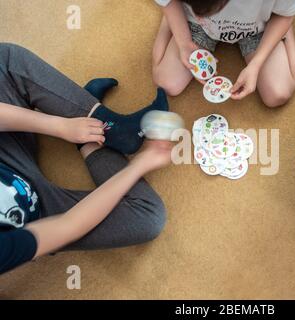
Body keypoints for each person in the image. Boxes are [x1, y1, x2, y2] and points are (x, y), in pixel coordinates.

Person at [0, 43, 173, 274]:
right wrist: (139, 165)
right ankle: (97, 132)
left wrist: (60, 126)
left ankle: (108, 125)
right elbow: (66, 226)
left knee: (5, 59)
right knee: (148, 218)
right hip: (36, 217)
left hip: (7, 151)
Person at [152, 0, 295, 107]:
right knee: (167, 83)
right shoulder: (198, 14)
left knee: (278, 93)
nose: (201, 17)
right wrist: (183, 41)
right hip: (195, 23)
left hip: (260, 25)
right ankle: (171, 18)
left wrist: (256, 64)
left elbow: (285, 15)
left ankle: (285, 23)